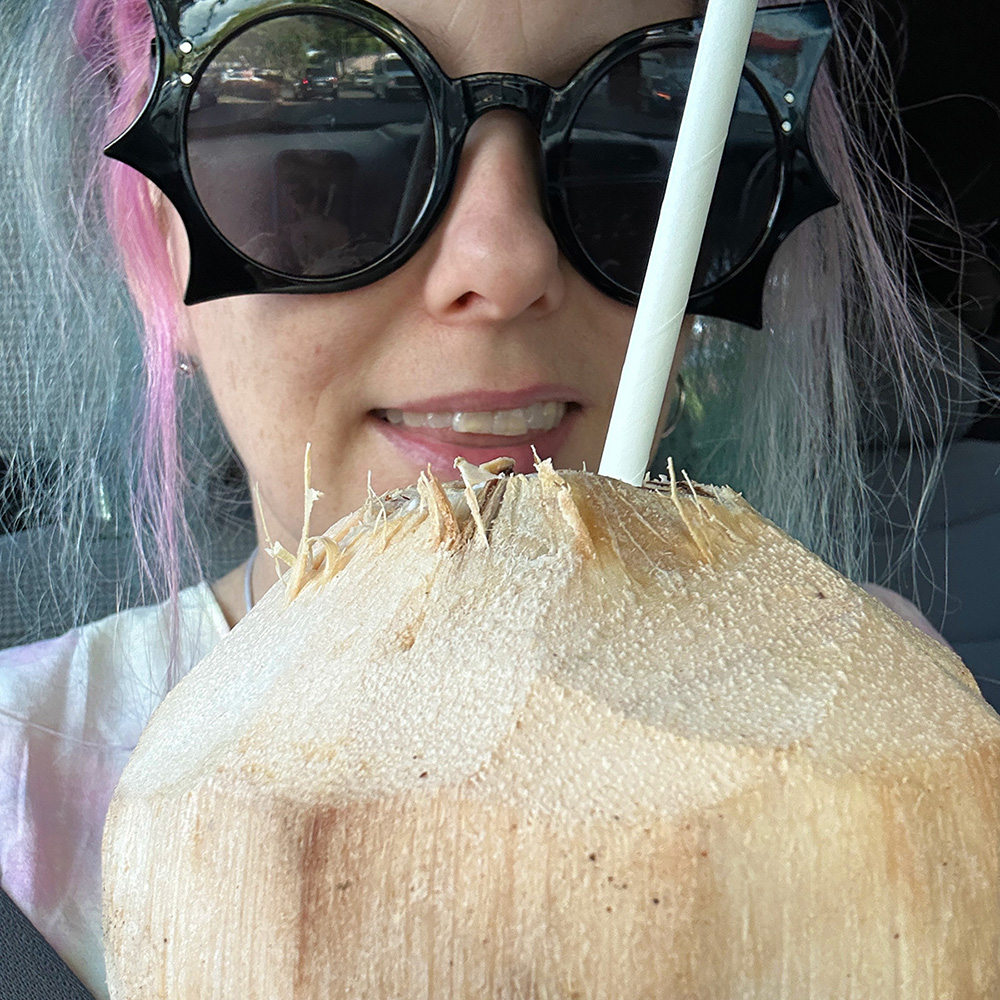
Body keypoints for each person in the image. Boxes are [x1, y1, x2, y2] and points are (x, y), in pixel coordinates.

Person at [0, 0, 977, 995]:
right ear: (156, 250)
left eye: (634, 132)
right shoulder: (16, 801)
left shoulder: (865, 725)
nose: (503, 265)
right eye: (328, 131)